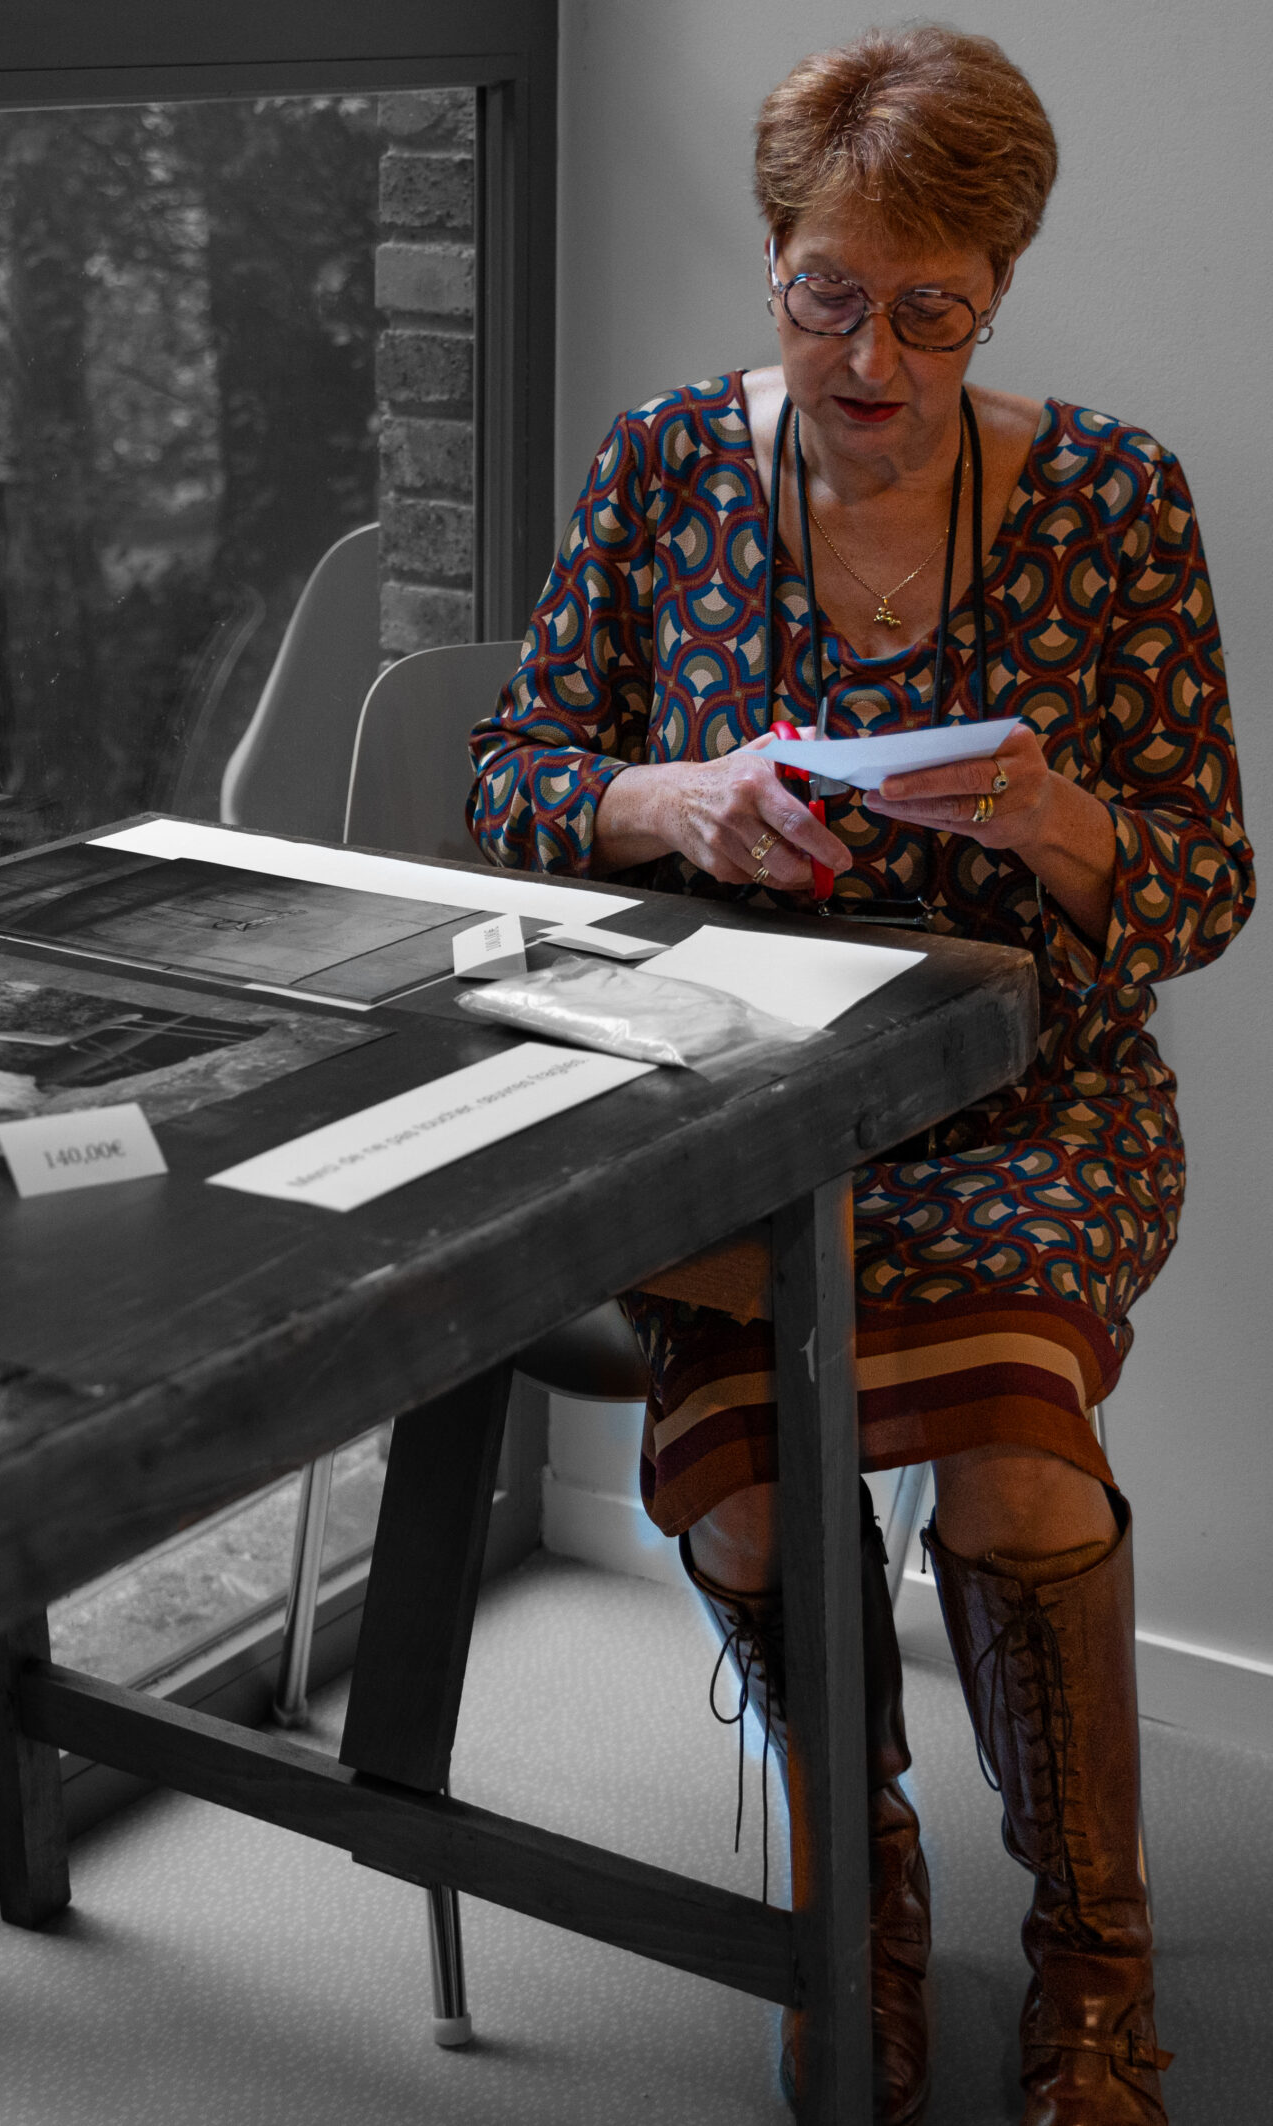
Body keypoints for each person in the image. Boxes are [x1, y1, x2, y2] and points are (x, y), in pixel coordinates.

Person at [469, 26, 1251, 2126]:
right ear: (770, 263)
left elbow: (1204, 886)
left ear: (996, 289)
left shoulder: (1110, 495)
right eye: (828, 294)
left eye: (930, 309)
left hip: (1030, 1098)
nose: (871, 358)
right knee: (748, 1486)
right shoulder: (661, 467)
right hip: (724, 1097)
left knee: (1013, 1458)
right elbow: (511, 778)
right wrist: (674, 798)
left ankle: (1091, 1969)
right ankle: (858, 1911)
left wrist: (1058, 820)